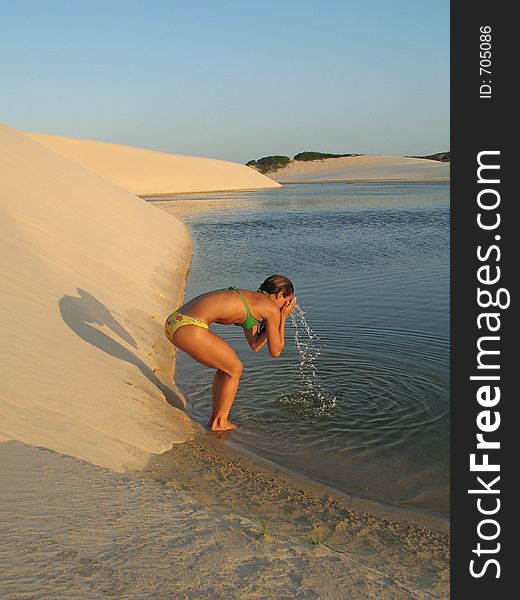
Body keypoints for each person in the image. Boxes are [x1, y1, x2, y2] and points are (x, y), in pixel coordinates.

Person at [165, 274, 296, 431]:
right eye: (285, 302)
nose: (284, 306)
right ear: (280, 295)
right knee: (235, 368)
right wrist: (282, 317)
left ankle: (216, 420)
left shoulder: (253, 300)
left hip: (174, 322)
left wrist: (274, 321)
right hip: (190, 326)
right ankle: (220, 423)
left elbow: (255, 344)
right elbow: (276, 351)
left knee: (227, 368)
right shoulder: (269, 307)